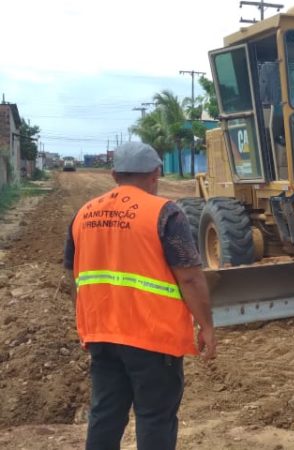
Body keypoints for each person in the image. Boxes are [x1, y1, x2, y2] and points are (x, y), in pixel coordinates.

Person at [63, 142, 217, 450]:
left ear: (114, 174)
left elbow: (74, 273)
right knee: (155, 418)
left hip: (102, 336)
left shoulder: (84, 214)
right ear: (156, 173)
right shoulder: (164, 213)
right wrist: (207, 327)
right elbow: (189, 276)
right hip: (152, 338)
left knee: (105, 415)